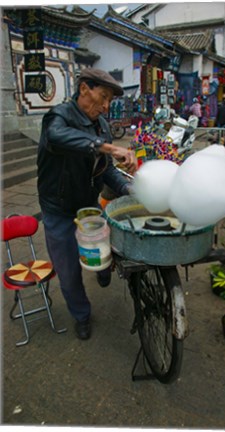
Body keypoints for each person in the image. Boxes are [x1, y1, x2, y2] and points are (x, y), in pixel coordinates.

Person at [37, 68, 137, 340]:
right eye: (102, 97)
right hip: (58, 209)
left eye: (109, 102)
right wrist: (107, 147)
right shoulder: (58, 117)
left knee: (102, 250)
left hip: (88, 204)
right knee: (68, 272)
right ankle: (81, 315)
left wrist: (127, 188)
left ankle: (103, 269)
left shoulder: (102, 126)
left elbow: (104, 169)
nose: (105, 107)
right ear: (84, 89)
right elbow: (59, 138)